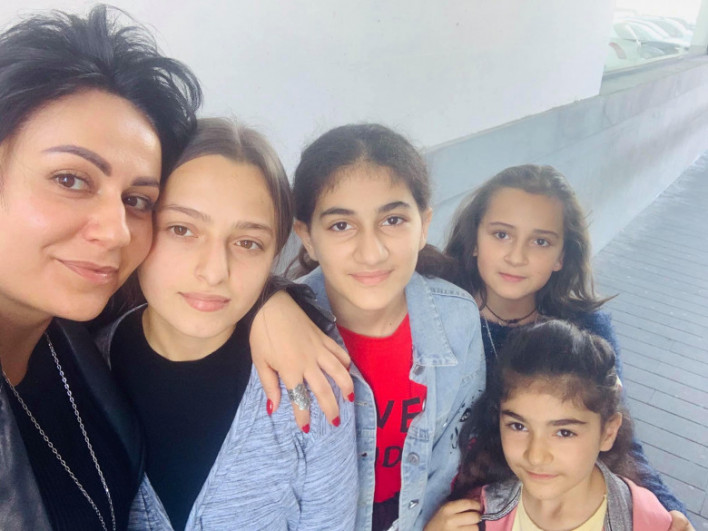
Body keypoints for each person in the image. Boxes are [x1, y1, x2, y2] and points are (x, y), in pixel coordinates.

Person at [100, 118, 357, 530]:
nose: (215, 271)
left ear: (274, 254)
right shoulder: (80, 369)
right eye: (182, 229)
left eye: (248, 243)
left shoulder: (310, 376)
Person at [0, 5, 201, 530]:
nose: (117, 232)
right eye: (71, 180)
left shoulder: (80, 332)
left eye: (137, 200)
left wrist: (274, 306)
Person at [441, 164, 691, 528]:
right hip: (454, 508)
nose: (516, 256)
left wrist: (668, 510)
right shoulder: (436, 311)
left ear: (562, 255)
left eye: (540, 241)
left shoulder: (584, 330)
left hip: (542, 504)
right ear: (474, 239)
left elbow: (614, 430)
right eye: (501, 234)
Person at [290, 123, 486, 531]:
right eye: (341, 225)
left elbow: (456, 445)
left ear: (424, 225)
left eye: (393, 220)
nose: (371, 252)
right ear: (307, 237)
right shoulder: (279, 330)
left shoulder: (457, 319)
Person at [426, 320, 672, 530]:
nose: (536, 455)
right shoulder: (474, 514)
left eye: (564, 432)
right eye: (518, 426)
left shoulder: (648, 522)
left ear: (608, 432)